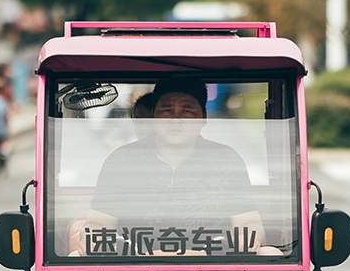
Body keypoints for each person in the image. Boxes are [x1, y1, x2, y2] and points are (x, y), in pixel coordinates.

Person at [83, 81, 269, 256]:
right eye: (167, 110)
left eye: (187, 111)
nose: (176, 119)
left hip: (213, 264)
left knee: (271, 254)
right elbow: (97, 224)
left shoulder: (226, 159)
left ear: (203, 117)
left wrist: (235, 244)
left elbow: (249, 223)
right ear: (153, 116)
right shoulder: (122, 160)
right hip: (133, 263)